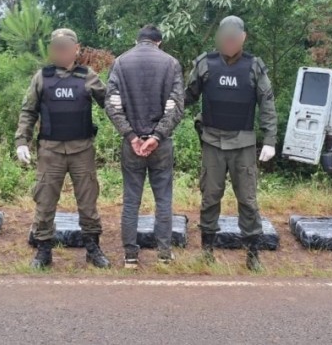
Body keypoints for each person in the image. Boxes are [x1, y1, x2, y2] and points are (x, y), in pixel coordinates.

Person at [184, 16, 277, 271]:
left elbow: (267, 102)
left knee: (247, 200)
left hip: (243, 144)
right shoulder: (205, 64)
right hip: (213, 142)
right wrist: (163, 107)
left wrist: (270, 139)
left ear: (243, 38)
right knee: (210, 198)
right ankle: (207, 250)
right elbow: (187, 96)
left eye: (234, 38)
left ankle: (252, 254)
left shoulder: (253, 66)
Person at [14, 28, 110, 270]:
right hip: (50, 151)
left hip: (82, 151)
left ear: (76, 49)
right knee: (45, 202)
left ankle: (92, 249)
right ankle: (43, 251)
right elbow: (28, 111)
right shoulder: (42, 77)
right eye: (57, 47)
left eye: (66, 47)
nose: (62, 51)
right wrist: (21, 141)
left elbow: (110, 103)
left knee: (88, 203)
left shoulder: (87, 76)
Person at [105, 25, 184, 269]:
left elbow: (112, 105)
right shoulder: (171, 64)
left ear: (136, 40)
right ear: (159, 41)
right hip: (160, 146)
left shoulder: (120, 62)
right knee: (163, 199)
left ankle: (130, 257)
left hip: (132, 146)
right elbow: (175, 106)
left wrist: (131, 136)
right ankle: (164, 254)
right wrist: (157, 136)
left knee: (131, 201)